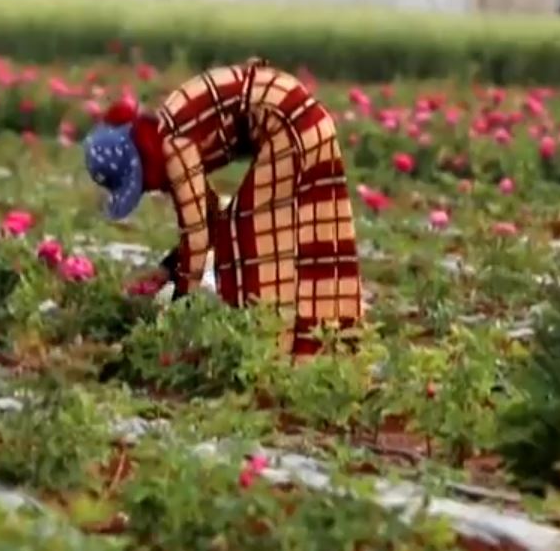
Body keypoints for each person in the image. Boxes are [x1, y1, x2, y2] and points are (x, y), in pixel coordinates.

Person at [83, 59, 363, 357]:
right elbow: (209, 217)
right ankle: (319, 344)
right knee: (306, 237)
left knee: (249, 236)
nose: (151, 188)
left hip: (291, 123)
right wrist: (166, 270)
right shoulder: (168, 131)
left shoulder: (173, 146)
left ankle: (269, 348)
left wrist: (177, 307)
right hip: (304, 119)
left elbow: (197, 235)